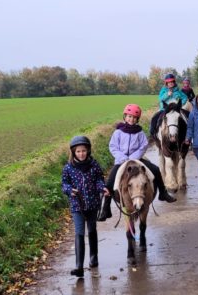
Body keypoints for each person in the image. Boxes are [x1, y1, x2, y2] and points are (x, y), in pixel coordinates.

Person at [98, 104, 176, 221]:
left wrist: (134, 157)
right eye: (129, 117)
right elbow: (113, 146)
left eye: (134, 118)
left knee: (155, 169)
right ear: (125, 117)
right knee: (110, 181)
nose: (131, 119)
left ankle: (163, 193)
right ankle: (106, 208)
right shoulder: (118, 132)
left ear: (137, 119)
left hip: (137, 159)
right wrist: (123, 157)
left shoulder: (139, 133)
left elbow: (143, 146)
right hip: (121, 160)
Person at [62, 135, 108, 277]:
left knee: (92, 229)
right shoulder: (68, 168)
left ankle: (93, 257)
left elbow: (99, 180)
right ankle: (79, 266)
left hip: (93, 204)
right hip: (77, 206)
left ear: (88, 151)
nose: (81, 154)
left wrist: (102, 188)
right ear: (73, 153)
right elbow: (64, 184)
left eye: (84, 151)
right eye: (78, 151)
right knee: (79, 232)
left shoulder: (94, 165)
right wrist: (70, 190)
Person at [149, 73, 188, 138]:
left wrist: (180, 104)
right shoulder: (163, 90)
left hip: (176, 109)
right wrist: (167, 95)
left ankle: (189, 135)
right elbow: (160, 99)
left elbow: (185, 97)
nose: (171, 83)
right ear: (166, 83)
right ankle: (153, 134)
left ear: (174, 82)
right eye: (169, 82)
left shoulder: (177, 91)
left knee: (188, 115)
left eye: (172, 82)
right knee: (154, 118)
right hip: (165, 109)